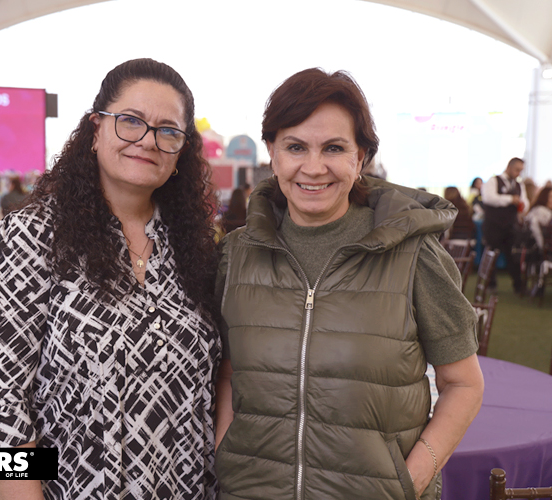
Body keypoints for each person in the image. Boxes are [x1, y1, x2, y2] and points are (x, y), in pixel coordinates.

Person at [214, 68, 484, 500]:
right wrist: (225, 453)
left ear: (361, 158)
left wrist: (406, 484)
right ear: (273, 153)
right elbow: (228, 374)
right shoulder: (236, 254)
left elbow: (464, 384)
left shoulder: (415, 255)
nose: (314, 167)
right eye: (296, 147)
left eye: (334, 148)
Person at [0, 58, 220, 500]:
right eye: (130, 121)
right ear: (95, 129)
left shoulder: (196, 247)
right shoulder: (34, 235)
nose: (148, 140)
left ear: (182, 151)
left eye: (168, 130)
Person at [481, 158, 529, 293]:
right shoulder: (493, 181)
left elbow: (525, 202)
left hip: (511, 227)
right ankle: (490, 285)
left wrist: (522, 205)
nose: (519, 173)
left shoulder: (520, 186)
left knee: (513, 256)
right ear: (509, 167)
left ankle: (518, 286)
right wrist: (510, 199)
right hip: (493, 226)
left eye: (521, 170)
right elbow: (489, 198)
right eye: (517, 170)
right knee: (492, 255)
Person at [524, 186, 552, 252]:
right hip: (541, 252)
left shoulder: (535, 210)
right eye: (550, 197)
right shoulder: (542, 212)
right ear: (544, 197)